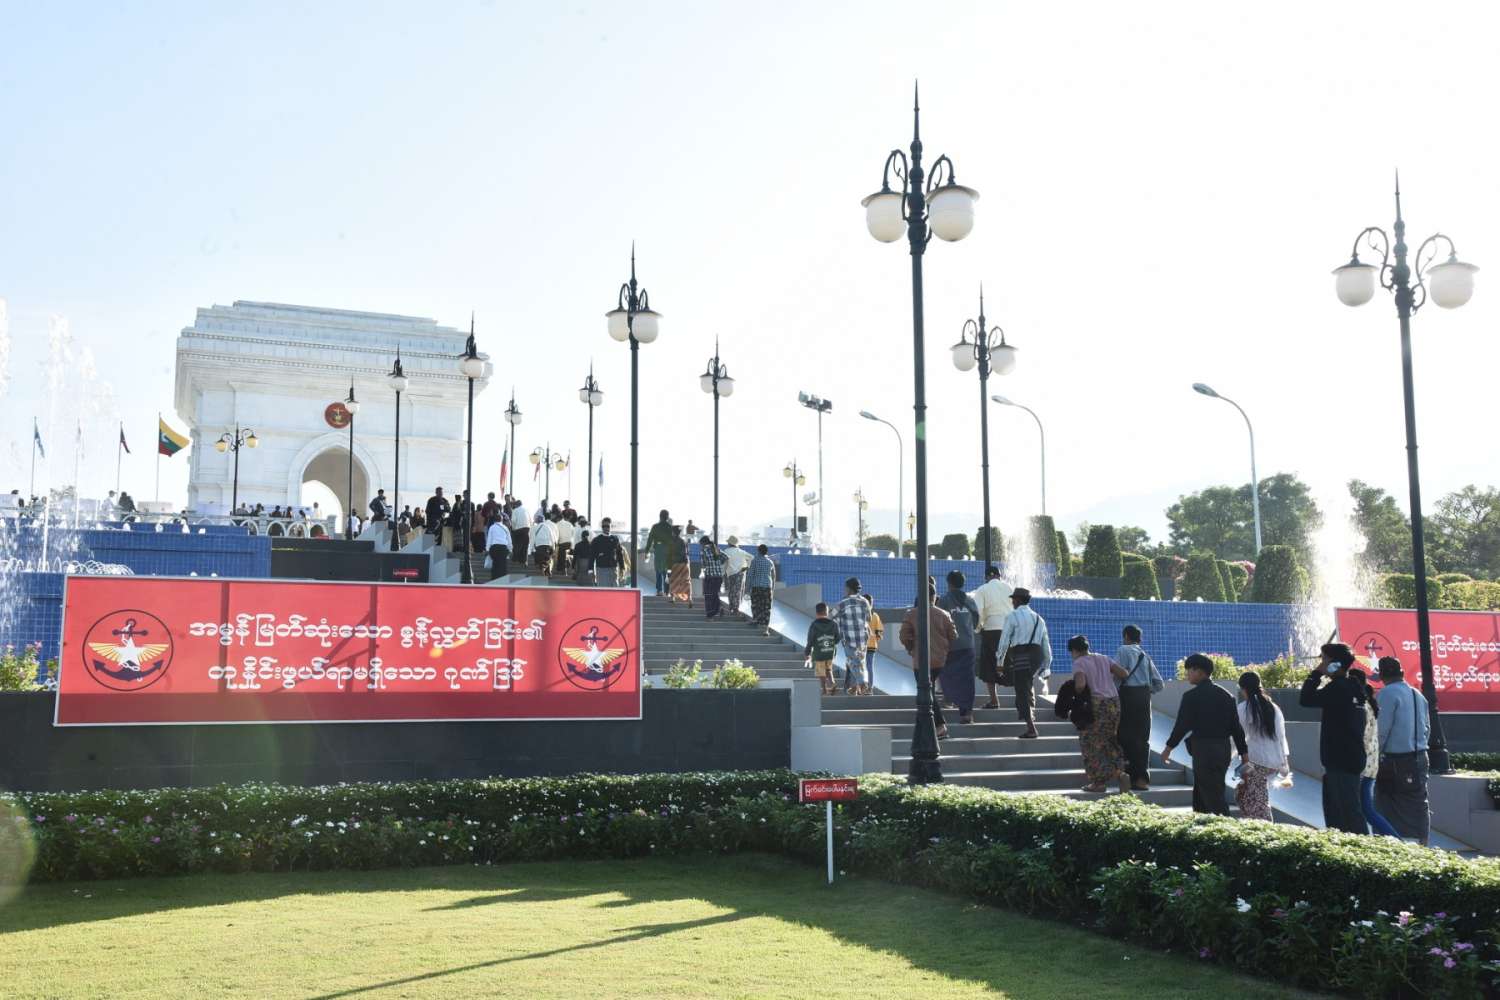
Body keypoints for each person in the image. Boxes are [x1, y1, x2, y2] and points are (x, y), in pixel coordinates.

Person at [1163, 653, 1249, 814]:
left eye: (1190, 670)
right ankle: (1201, 822)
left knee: (1211, 794)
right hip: (1223, 749)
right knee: (1208, 788)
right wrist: (1244, 754)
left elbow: (1182, 726)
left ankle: (1224, 825)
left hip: (1203, 749)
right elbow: (1236, 728)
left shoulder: (1191, 696)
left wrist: (1168, 748)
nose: (1187, 674)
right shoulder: (1227, 696)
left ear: (1200, 672)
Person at [1299, 642, 1369, 834]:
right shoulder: (1354, 687)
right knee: (1349, 810)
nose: (1321, 663)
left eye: (1324, 659)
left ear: (1335, 664)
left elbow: (1306, 699)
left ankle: (1359, 847)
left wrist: (1315, 674)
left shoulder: (1338, 688)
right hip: (1350, 758)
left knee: (1343, 815)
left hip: (1340, 760)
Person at [1374, 656, 1431, 845]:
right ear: (1402, 672)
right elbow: (1427, 728)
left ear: (1381, 675)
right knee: (1419, 803)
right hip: (1420, 756)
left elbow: (1381, 731)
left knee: (1385, 804)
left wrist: (1373, 756)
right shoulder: (1418, 695)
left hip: (1395, 760)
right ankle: (1423, 843)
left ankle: (1387, 845)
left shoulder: (1386, 694)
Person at [1066, 635, 1131, 794]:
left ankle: (1098, 783)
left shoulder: (1079, 662)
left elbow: (1080, 685)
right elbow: (1124, 673)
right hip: (1114, 704)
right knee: (1109, 740)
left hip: (1095, 705)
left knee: (1090, 743)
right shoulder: (1103, 658)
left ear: (1074, 650)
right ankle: (1120, 773)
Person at [899, 577, 957, 740]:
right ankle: (932, 725)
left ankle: (939, 725)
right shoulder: (944, 614)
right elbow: (953, 635)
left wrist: (910, 648)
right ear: (934, 597)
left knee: (925, 692)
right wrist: (944, 649)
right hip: (940, 660)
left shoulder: (912, 614)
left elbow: (904, 636)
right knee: (928, 691)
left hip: (921, 661)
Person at [993, 586, 1051, 739]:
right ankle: (1031, 718)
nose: (1012, 602)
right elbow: (1046, 645)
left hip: (1022, 655)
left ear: (1018, 600)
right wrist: (1047, 666)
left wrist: (999, 662)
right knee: (1026, 685)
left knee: (1021, 690)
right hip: (1036, 656)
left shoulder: (1012, 616)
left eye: (1013, 599)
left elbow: (1004, 641)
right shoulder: (1039, 618)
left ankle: (1031, 728)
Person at [1349, 667, 1400, 837]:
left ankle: (1396, 841)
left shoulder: (1360, 706)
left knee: (1366, 811)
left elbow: (1362, 737)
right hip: (1371, 766)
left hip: (1362, 766)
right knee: (1366, 810)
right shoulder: (1369, 704)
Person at [1235, 670, 1290, 821]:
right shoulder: (1273, 707)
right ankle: (1255, 824)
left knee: (1254, 799)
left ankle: (1263, 828)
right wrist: (1284, 764)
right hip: (1272, 760)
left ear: (1243, 688)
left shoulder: (1243, 708)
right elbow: (1281, 736)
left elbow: (1237, 736)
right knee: (1247, 794)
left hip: (1254, 761)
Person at [1115, 625, 1165, 790]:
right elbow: (1159, 684)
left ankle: (1128, 777)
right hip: (1144, 698)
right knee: (1142, 739)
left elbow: (1117, 676)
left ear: (1126, 636)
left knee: (1125, 737)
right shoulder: (1145, 655)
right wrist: (1146, 690)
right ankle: (1142, 780)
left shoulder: (1123, 650)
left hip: (1127, 697)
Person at [935, 571, 979, 724]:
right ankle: (967, 713)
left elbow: (938, 622)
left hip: (950, 646)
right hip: (968, 645)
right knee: (968, 679)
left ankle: (950, 699)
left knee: (946, 674)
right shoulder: (970, 601)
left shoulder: (944, 601)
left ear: (949, 583)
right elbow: (976, 621)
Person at [972, 565, 1009, 710]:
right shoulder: (1009, 588)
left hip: (991, 630)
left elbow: (978, 611)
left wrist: (977, 628)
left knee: (988, 665)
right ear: (999, 576)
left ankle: (994, 700)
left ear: (987, 577)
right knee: (1010, 664)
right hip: (1008, 630)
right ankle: (1023, 697)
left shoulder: (982, 589)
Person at [833, 578, 872, 695]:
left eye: (845, 588)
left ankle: (863, 683)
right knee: (860, 661)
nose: (844, 590)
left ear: (849, 589)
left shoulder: (842, 603)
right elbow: (869, 618)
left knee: (852, 661)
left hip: (848, 638)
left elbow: (831, 616)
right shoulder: (865, 602)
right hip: (862, 638)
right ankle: (855, 687)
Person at [804, 602, 841, 695]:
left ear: (816, 613)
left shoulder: (814, 625)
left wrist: (807, 652)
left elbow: (810, 640)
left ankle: (824, 689)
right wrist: (832, 643)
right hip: (830, 652)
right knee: (828, 669)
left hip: (819, 652)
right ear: (827, 612)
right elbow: (837, 638)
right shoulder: (833, 624)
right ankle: (832, 683)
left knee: (821, 672)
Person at [747, 544, 775, 636]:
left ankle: (755, 619)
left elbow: (750, 575)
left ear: (758, 551)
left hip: (756, 586)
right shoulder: (770, 562)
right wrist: (772, 588)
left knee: (756, 604)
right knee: (766, 607)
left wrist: (747, 588)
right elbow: (773, 576)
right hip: (767, 587)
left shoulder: (755, 561)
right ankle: (766, 629)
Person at [645, 510, 675, 596]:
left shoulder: (655, 527)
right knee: (667, 571)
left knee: (658, 570)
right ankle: (667, 591)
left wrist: (647, 551)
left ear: (660, 516)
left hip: (658, 550)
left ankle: (659, 590)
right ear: (667, 517)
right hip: (668, 550)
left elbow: (650, 539)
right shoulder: (670, 528)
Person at [721, 537, 751, 618]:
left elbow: (723, 563)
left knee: (731, 591)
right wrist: (746, 567)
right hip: (739, 574)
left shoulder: (726, 551)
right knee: (737, 591)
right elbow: (752, 558)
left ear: (729, 543)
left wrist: (722, 573)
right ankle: (736, 608)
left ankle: (731, 606)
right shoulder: (741, 551)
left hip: (729, 574)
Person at [590, 518, 624, 587]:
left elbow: (619, 554)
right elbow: (591, 556)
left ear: (611, 526)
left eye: (607, 526)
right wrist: (591, 571)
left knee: (614, 589)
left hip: (613, 569)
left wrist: (622, 568)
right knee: (602, 590)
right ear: (602, 527)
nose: (606, 528)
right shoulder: (596, 540)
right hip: (601, 569)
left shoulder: (615, 539)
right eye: (604, 526)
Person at [700, 538, 726, 618]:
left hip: (710, 576)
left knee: (708, 596)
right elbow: (726, 557)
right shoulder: (716, 549)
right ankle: (719, 607)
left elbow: (703, 564)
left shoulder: (704, 551)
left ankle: (710, 614)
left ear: (703, 543)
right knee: (714, 594)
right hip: (718, 576)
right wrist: (718, 564)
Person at [864, 594, 883, 698]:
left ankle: (861, 687)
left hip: (862, 645)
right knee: (869, 666)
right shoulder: (875, 616)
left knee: (860, 666)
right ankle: (870, 688)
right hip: (872, 645)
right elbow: (879, 632)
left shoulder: (861, 615)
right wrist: (876, 637)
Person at [667, 525, 692, 606]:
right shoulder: (683, 541)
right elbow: (687, 553)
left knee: (673, 581)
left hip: (676, 563)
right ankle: (690, 599)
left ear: (673, 533)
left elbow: (669, 555)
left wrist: (668, 568)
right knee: (686, 581)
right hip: (685, 564)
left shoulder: (671, 542)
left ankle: (673, 598)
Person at [508, 498, 530, 567]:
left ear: (516, 505)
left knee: (517, 545)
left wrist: (513, 529)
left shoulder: (515, 510)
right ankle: (524, 561)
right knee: (525, 546)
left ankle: (515, 559)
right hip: (527, 529)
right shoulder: (526, 510)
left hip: (518, 529)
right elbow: (530, 520)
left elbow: (513, 521)